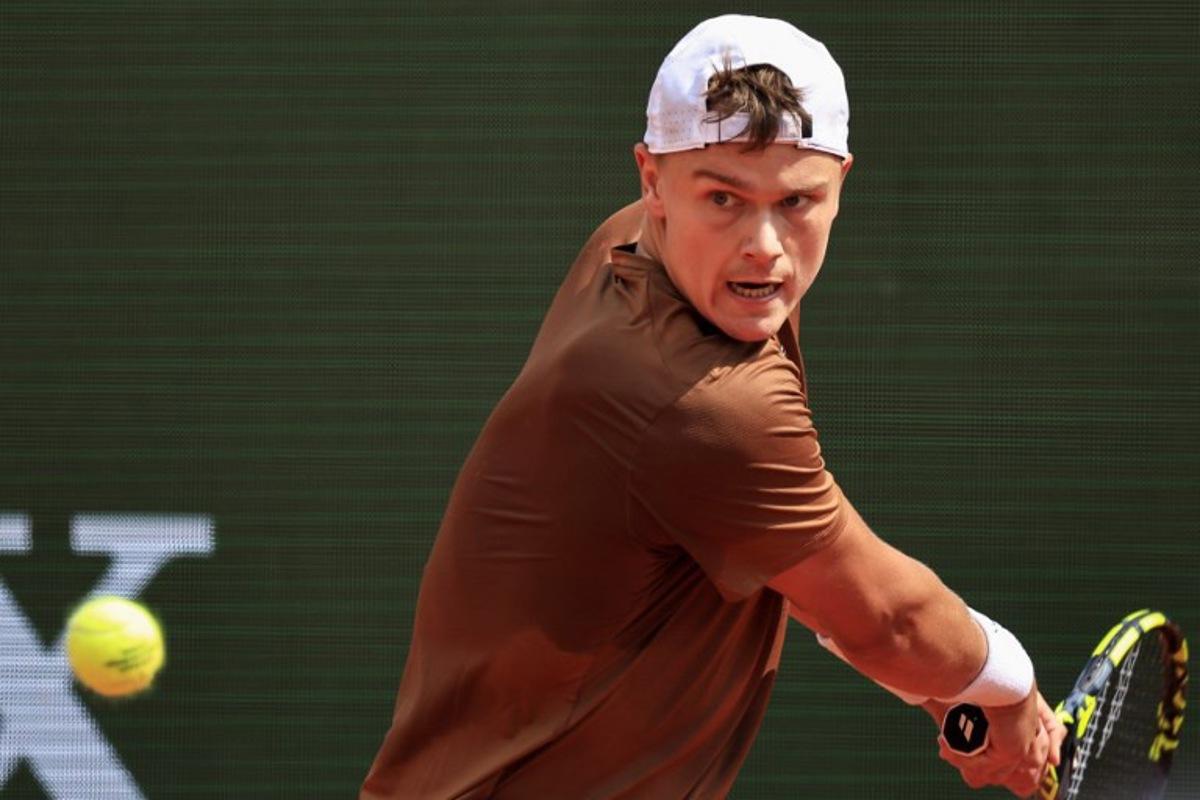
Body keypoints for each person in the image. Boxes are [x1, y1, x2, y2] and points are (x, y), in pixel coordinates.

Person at [361, 14, 1065, 799]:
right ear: (653, 182)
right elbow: (887, 618)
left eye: (797, 202)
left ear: (839, 186)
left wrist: (954, 690)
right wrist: (1011, 686)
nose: (764, 244)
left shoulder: (650, 255)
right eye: (724, 198)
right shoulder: (704, 401)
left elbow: (788, 561)